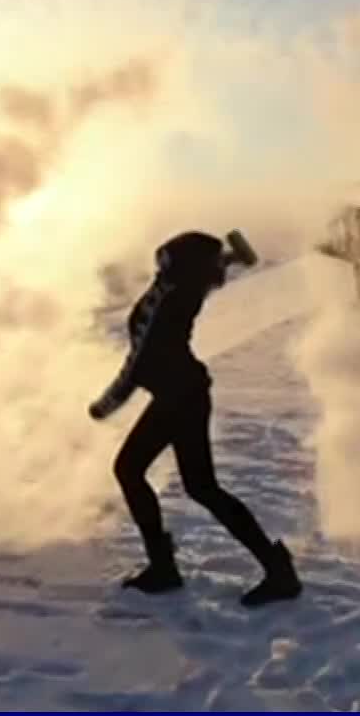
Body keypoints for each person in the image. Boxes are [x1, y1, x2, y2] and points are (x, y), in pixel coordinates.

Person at [88, 229, 303, 607]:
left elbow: (139, 361)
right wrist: (233, 256)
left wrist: (108, 402)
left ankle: (166, 568)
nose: (160, 261)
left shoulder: (170, 296)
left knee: (134, 470)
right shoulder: (188, 286)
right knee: (200, 486)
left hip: (178, 397)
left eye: (167, 258)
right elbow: (217, 265)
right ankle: (273, 567)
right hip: (184, 394)